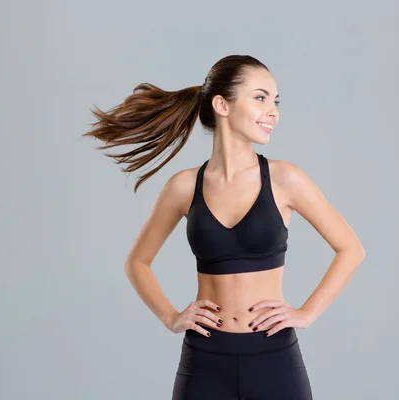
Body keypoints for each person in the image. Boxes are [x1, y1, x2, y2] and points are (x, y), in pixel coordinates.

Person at [83, 54, 365, 399]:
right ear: (222, 105)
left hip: (274, 357)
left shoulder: (285, 179)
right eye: (260, 97)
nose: (273, 111)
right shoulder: (184, 187)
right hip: (204, 359)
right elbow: (137, 263)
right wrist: (171, 317)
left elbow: (351, 249)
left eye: (275, 101)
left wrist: (306, 313)